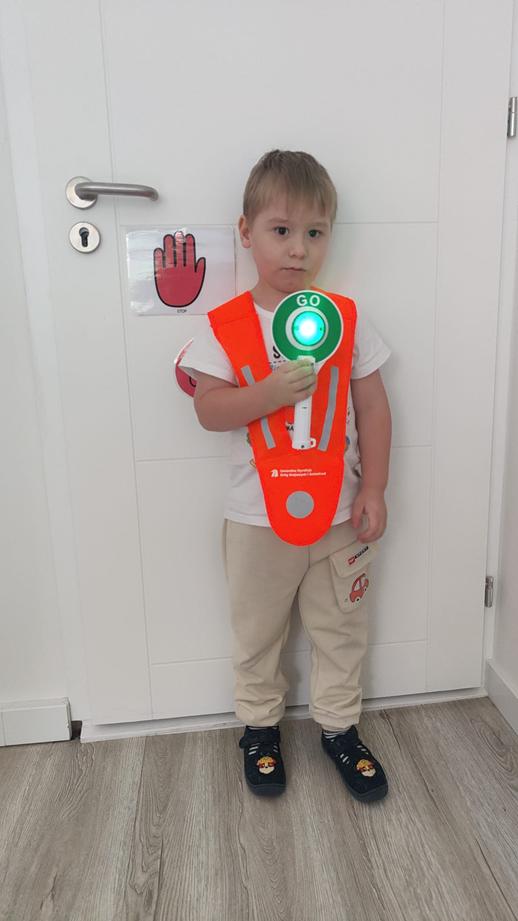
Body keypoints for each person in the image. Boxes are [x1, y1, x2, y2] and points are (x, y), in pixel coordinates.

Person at [179, 150, 392, 803]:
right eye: (281, 230)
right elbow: (209, 410)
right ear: (246, 232)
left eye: (315, 232)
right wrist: (268, 392)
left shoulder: (346, 319)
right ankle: (259, 728)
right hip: (255, 520)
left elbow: (373, 406)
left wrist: (374, 487)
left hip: (339, 516)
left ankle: (339, 728)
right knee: (258, 632)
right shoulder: (227, 327)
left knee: (341, 628)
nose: (299, 248)